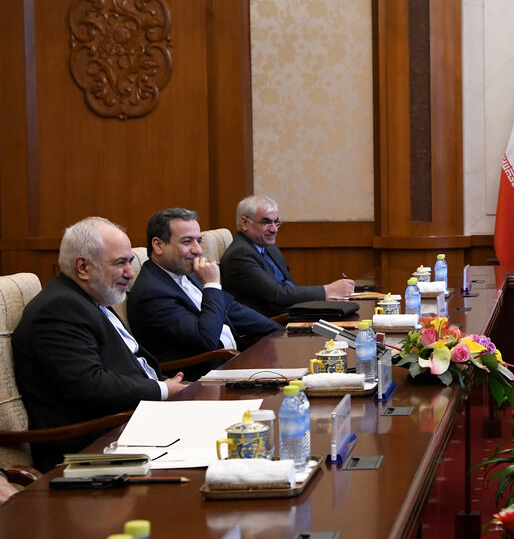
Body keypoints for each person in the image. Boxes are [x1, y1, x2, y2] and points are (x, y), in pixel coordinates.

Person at [13, 217, 189, 471]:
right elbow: (90, 385)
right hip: (92, 449)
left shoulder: (92, 297)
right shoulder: (59, 308)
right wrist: (162, 390)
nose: (130, 272)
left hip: (134, 424)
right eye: (120, 263)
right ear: (83, 267)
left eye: (130, 261)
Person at [127, 208, 281, 378]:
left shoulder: (187, 273)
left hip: (237, 363)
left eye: (198, 241)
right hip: (202, 378)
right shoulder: (152, 292)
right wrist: (212, 285)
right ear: (158, 245)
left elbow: (232, 309)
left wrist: (279, 333)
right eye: (187, 242)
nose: (198, 250)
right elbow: (206, 340)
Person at [220, 195, 355, 317]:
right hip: (271, 325)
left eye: (276, 222)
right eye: (266, 222)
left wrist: (324, 298)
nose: (274, 229)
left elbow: (289, 287)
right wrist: (327, 291)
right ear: (245, 223)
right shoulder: (239, 255)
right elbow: (276, 294)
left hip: (291, 313)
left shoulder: (269, 247)